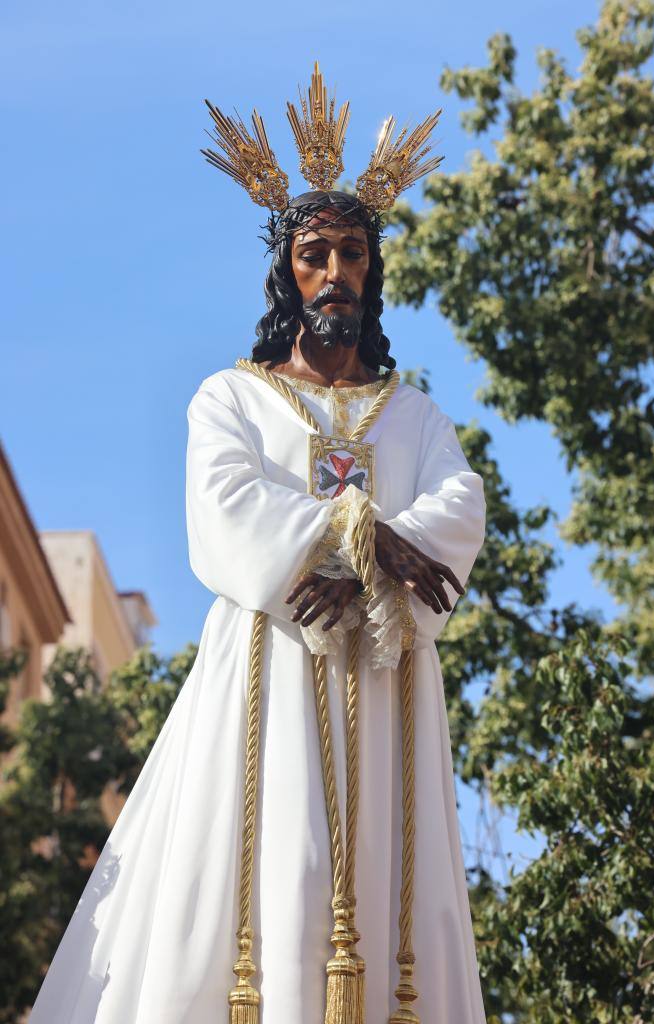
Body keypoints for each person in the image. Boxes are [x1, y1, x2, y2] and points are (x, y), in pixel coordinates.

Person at [30, 64, 487, 1024]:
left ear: (373, 271)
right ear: (286, 271)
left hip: (389, 676)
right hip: (270, 666)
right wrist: (363, 537)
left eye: (352, 253)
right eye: (315, 254)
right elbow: (224, 506)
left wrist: (369, 568)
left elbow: (459, 505)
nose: (336, 272)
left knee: (390, 874)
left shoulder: (414, 416)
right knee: (277, 861)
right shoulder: (231, 397)